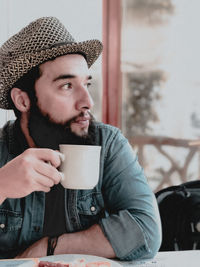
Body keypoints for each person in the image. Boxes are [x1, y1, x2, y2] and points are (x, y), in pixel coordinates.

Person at [0, 17, 161, 260]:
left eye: (86, 83)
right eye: (67, 85)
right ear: (23, 100)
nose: (88, 101)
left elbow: (145, 231)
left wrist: (50, 248)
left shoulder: (108, 144)